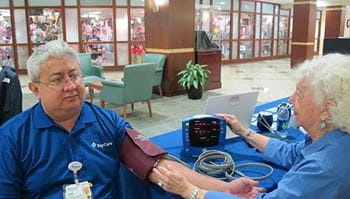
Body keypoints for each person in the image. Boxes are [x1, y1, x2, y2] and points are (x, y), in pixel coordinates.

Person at [0, 40, 263, 198]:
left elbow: (157, 165)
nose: (70, 85)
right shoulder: (11, 137)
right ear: (35, 89)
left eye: (74, 76)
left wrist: (224, 188)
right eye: (58, 80)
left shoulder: (107, 122)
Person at [151, 53, 350, 199]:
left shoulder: (322, 168)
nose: (290, 100)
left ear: (326, 109)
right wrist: (244, 132)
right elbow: (290, 152)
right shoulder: (333, 139)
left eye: (298, 95)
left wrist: (190, 191)